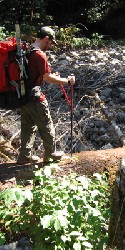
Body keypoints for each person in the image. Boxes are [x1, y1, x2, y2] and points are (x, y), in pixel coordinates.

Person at [17, 26, 75, 164]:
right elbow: (48, 78)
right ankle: (51, 154)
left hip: (22, 97)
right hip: (35, 98)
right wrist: (67, 81)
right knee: (46, 124)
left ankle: (24, 157)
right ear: (46, 38)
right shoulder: (39, 55)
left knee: (27, 126)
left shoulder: (27, 50)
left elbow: (33, 74)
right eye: (50, 43)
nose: (50, 46)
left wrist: (47, 76)